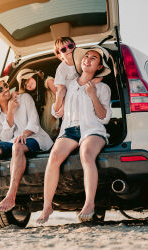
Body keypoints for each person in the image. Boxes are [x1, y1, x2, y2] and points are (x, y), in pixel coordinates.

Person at [36, 45, 112, 223]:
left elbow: (105, 118)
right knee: (53, 157)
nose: (87, 59)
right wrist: (59, 96)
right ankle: (47, 206)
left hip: (92, 129)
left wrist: (92, 94)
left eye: (93, 58)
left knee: (86, 154)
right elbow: (57, 113)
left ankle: (89, 203)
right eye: (86, 56)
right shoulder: (69, 84)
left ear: (99, 67)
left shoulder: (103, 88)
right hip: (69, 130)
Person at [0, 74, 54, 212]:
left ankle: (11, 196)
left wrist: (24, 134)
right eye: (0, 89)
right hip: (14, 142)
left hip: (35, 138)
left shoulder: (24, 98)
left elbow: (34, 123)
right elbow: (5, 137)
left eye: (5, 86)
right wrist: (10, 111)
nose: (5, 89)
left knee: (17, 146)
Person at [16, 68, 59, 139]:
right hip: (47, 136)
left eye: (28, 80)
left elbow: (63, 100)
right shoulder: (32, 97)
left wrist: (62, 123)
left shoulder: (48, 82)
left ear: (33, 76)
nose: (28, 85)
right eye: (25, 85)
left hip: (59, 129)